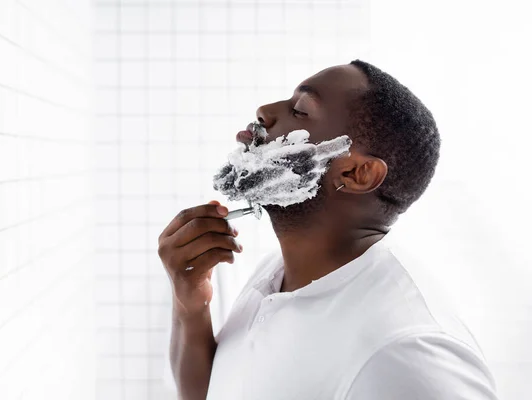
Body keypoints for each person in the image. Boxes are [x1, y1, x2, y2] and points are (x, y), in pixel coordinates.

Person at [157, 60, 498, 399]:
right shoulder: (276, 276)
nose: (263, 110)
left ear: (355, 174)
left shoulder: (406, 352)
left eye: (301, 110)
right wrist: (190, 304)